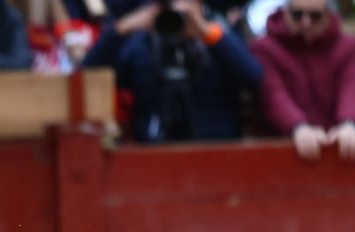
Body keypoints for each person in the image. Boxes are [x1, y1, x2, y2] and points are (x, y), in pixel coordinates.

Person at [82, 0, 261, 143]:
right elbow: (85, 80)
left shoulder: (218, 33)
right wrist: (119, 30)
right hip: (153, 154)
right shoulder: (142, 44)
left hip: (215, 150)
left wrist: (205, 32)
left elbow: (252, 77)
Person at [250, 0, 355, 161]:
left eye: (315, 16)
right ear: (285, 13)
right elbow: (273, 94)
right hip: (282, 155)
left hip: (336, 152)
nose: (306, 23)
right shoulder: (264, 48)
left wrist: (350, 123)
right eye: (297, 15)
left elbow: (353, 88)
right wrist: (298, 127)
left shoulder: (349, 47)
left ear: (328, 15)